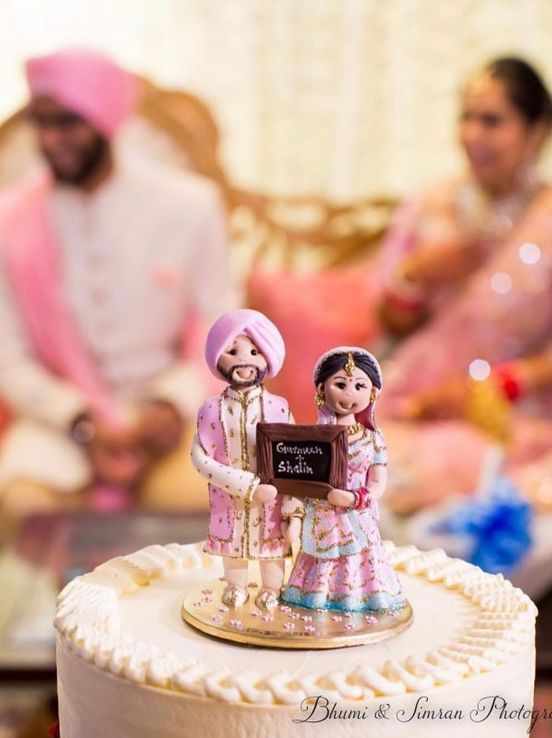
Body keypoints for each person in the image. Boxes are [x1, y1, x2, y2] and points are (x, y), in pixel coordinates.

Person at [0, 49, 235, 525]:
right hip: (61, 419)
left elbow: (221, 327)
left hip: (170, 411)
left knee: (198, 500)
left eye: (68, 123)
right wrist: (80, 422)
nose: (52, 140)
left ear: (106, 118)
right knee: (26, 506)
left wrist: (169, 406)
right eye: (41, 124)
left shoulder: (189, 205)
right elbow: (9, 357)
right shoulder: (11, 218)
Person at [377, 57, 552, 517]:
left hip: (523, 413)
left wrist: (484, 388)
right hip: (416, 399)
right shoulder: (432, 204)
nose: (472, 134)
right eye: (466, 117)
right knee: (349, 469)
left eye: (492, 120)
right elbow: (389, 321)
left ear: (536, 131)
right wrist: (415, 276)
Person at [282, 347, 406, 611]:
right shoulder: (314, 436)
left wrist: (355, 498)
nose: (349, 393)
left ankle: (355, 599)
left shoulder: (372, 439)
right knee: (321, 561)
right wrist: (293, 512)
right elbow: (301, 478)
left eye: (359, 386)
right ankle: (316, 597)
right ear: (321, 389)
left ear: (372, 393)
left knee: (357, 560)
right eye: (340, 384)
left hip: (358, 517)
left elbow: (377, 483)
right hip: (322, 518)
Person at [191, 309, 296, 610]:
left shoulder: (280, 408)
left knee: (271, 544)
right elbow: (200, 458)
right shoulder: (210, 410)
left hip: (273, 499)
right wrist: (243, 484)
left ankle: (272, 588)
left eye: (253, 350)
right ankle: (236, 585)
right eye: (232, 350)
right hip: (229, 497)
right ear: (216, 358)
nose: (243, 360)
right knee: (234, 543)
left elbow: (296, 456)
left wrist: (293, 506)